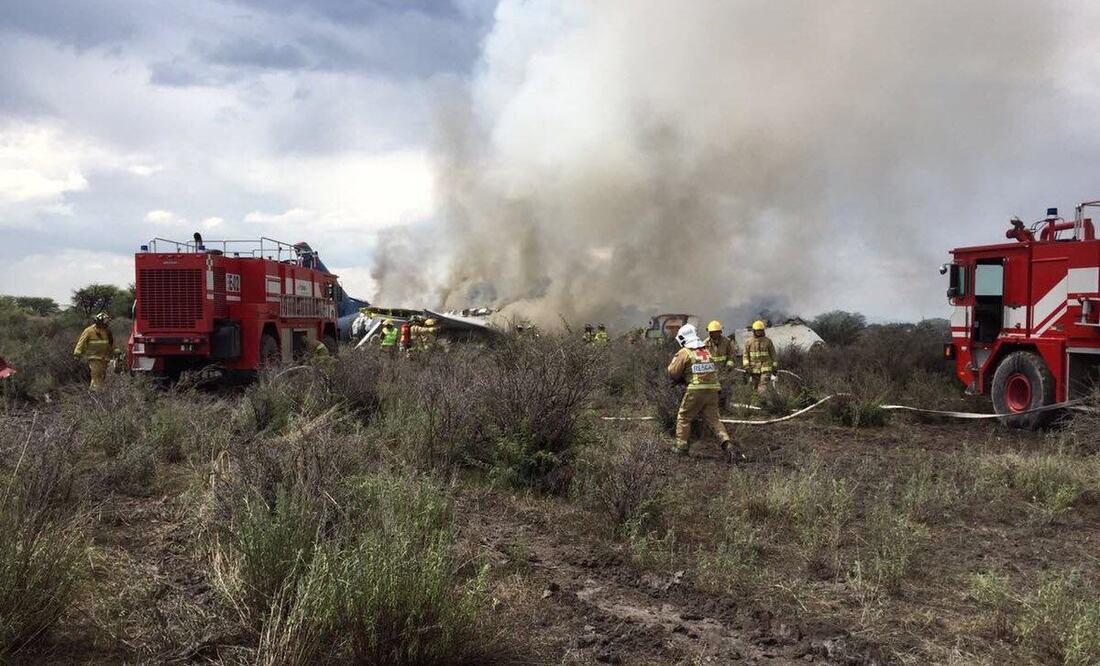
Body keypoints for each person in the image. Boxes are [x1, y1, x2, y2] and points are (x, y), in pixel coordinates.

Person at [666, 323, 740, 463]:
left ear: (683, 338)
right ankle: (728, 445)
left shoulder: (685, 352)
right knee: (714, 420)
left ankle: (681, 448)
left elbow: (673, 372)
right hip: (713, 390)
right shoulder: (706, 351)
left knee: (684, 417)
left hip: (696, 390)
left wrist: (681, 377)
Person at [74, 312, 120, 388]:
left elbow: (112, 343)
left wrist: (117, 352)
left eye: (107, 322)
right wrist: (77, 354)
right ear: (99, 321)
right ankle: (99, 392)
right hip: (94, 358)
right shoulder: (89, 330)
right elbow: (81, 342)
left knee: (101, 376)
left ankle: (93, 391)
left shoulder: (107, 331)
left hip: (105, 358)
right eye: (105, 322)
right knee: (96, 374)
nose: (106, 324)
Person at [705, 320, 739, 409]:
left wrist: (728, 366)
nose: (712, 334)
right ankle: (713, 409)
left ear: (720, 332)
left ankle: (723, 409)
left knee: (724, 391)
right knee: (711, 392)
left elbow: (732, 356)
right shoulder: (705, 343)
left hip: (724, 371)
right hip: (711, 372)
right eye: (711, 332)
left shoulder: (727, 342)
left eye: (715, 332)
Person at [743, 320, 778, 400]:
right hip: (753, 369)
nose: (759, 332)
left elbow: (773, 354)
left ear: (763, 330)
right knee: (754, 387)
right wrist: (746, 366)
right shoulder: (749, 342)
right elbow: (745, 355)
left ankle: (762, 401)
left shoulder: (768, 341)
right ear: (754, 331)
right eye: (757, 330)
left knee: (763, 386)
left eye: (760, 330)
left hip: (766, 368)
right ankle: (756, 403)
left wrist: (774, 367)